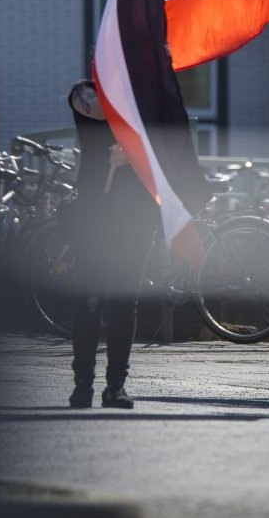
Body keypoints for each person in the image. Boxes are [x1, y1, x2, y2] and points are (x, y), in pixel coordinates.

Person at [64, 79, 157, 409]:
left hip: (135, 214)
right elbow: (101, 110)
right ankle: (82, 384)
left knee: (124, 301)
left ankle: (115, 385)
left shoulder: (148, 96)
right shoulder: (84, 92)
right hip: (94, 210)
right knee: (89, 297)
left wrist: (134, 152)